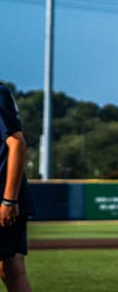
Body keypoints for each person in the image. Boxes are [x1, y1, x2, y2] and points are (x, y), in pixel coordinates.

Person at [0, 84, 32, 292]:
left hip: (3, 195)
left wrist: (9, 199)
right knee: (10, 268)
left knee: (11, 268)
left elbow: (17, 143)